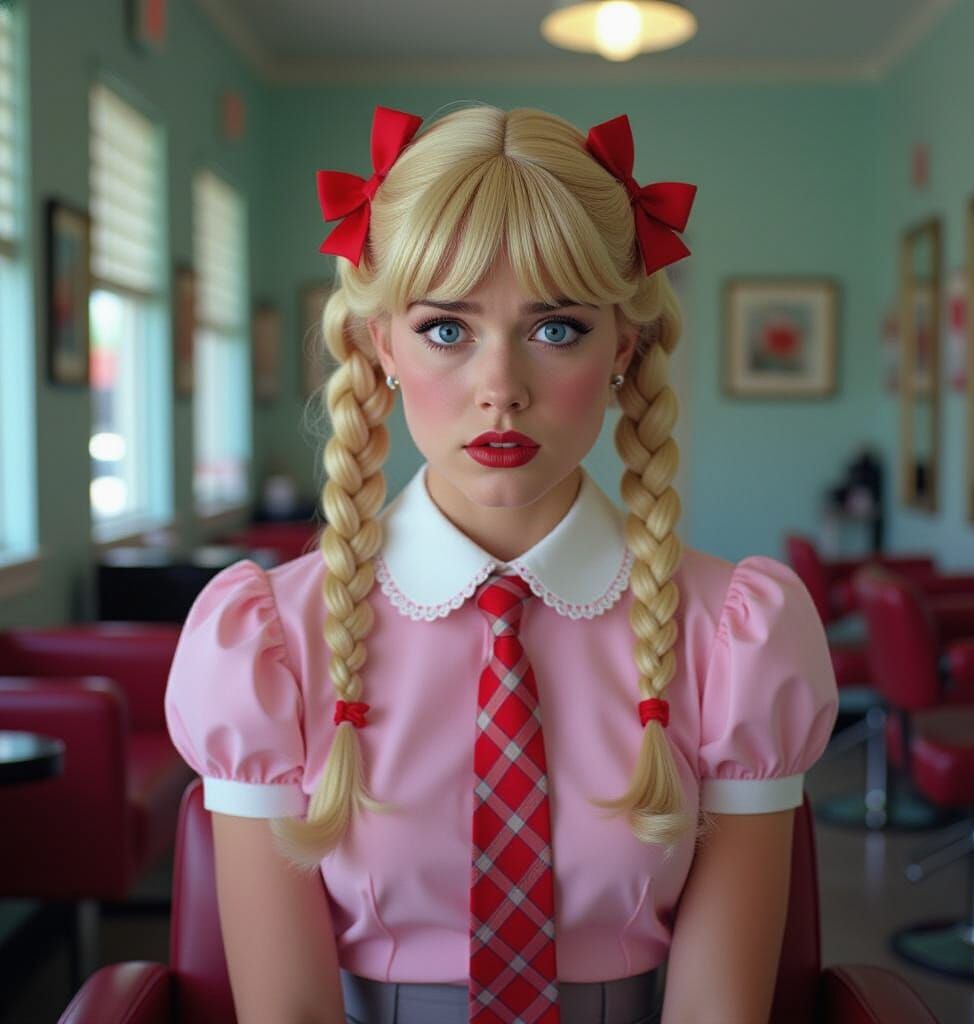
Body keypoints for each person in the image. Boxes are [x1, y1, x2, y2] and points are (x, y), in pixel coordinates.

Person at [164, 103, 839, 1024]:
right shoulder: (266, 643)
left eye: (556, 328)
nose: (500, 388)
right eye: (447, 328)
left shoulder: (737, 636)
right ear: (381, 346)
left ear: (623, 348)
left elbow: (719, 1010)